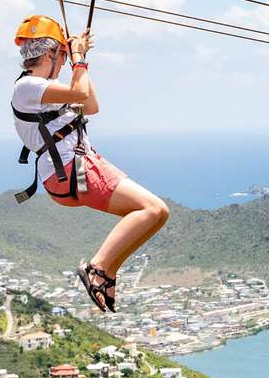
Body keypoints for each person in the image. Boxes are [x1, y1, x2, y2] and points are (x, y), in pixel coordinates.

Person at [10, 16, 169, 313]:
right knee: (153, 209)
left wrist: (78, 63)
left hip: (75, 170)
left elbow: (91, 106)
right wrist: (79, 59)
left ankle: (105, 272)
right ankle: (98, 268)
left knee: (154, 215)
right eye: (62, 54)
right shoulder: (28, 87)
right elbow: (81, 94)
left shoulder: (45, 89)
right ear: (49, 54)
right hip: (73, 169)